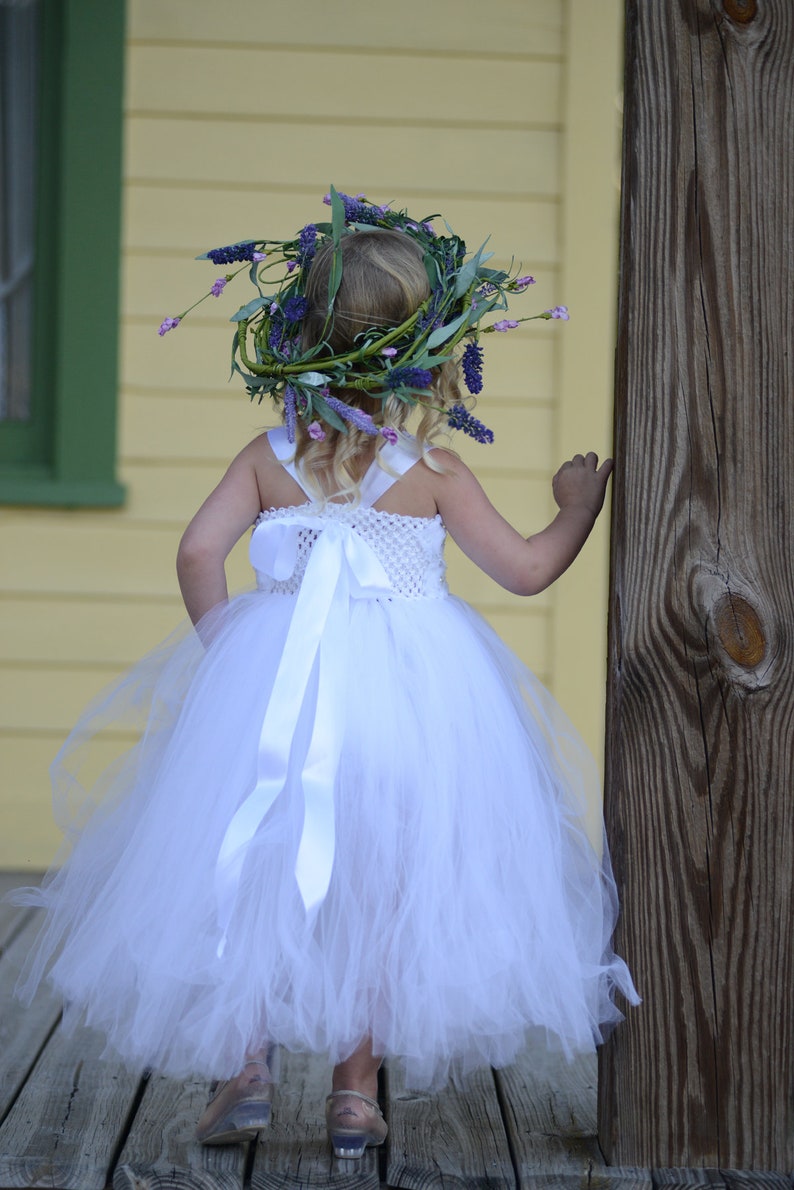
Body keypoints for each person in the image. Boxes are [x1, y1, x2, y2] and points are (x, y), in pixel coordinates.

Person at [12, 190, 639, 1159]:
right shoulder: (434, 468)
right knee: (385, 881)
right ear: (433, 341)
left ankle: (246, 1070)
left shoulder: (268, 456)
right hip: (414, 700)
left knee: (256, 865)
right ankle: (353, 1094)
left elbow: (193, 554)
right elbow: (522, 570)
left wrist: (232, 651)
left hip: (278, 689)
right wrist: (575, 502)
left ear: (298, 337)